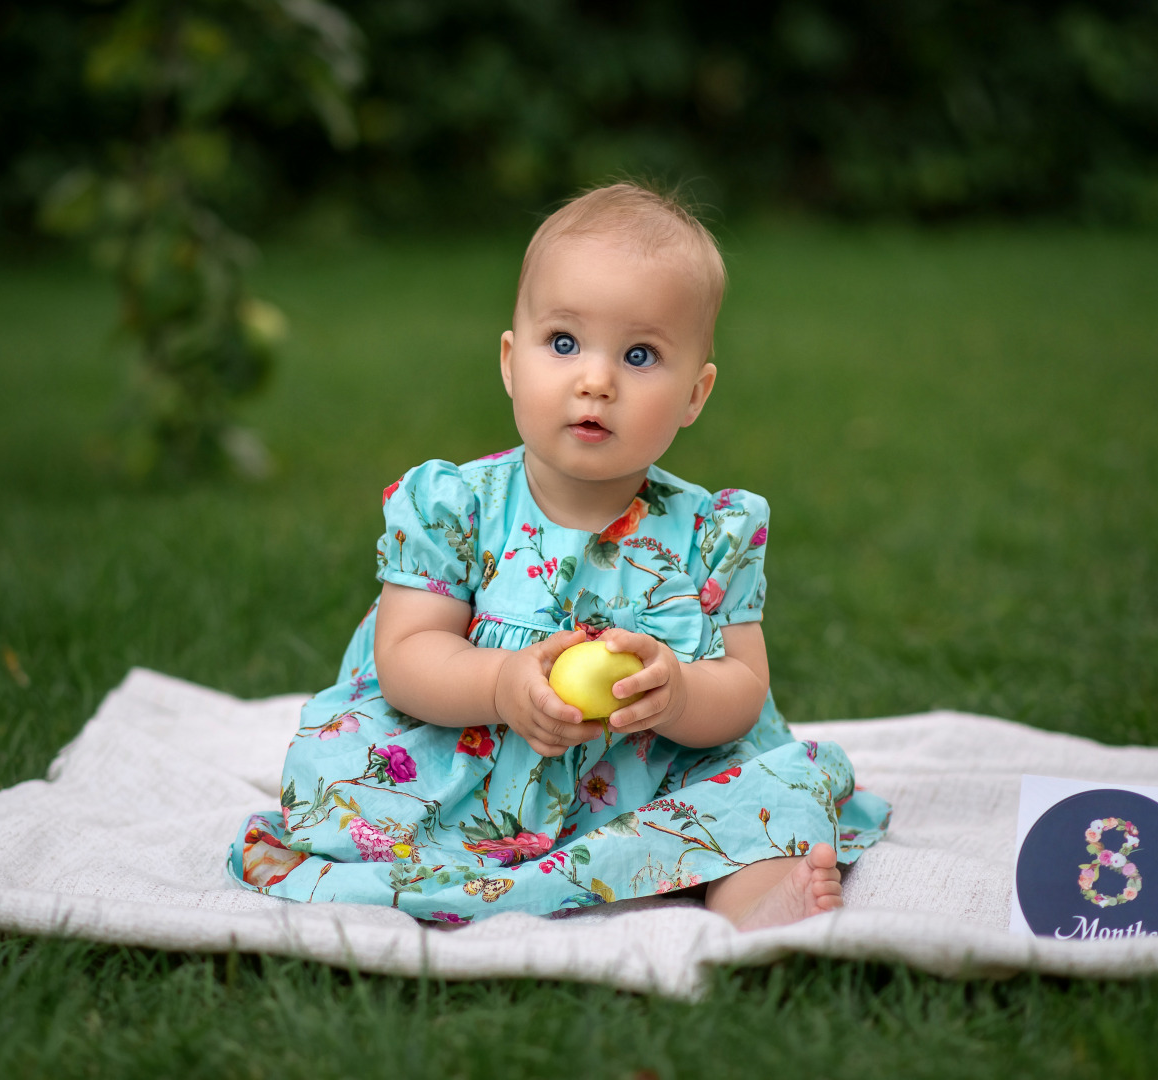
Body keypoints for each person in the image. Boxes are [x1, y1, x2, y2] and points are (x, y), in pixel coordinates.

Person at [228, 182, 891, 928]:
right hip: (472, 760)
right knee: (356, 779)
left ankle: (754, 890)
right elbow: (406, 656)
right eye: (564, 343)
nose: (596, 380)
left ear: (695, 396)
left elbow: (742, 687)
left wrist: (676, 695)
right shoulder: (458, 509)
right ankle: (584, 864)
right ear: (511, 362)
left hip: (650, 772)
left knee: (771, 793)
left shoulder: (711, 532)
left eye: (640, 355)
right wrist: (504, 683)